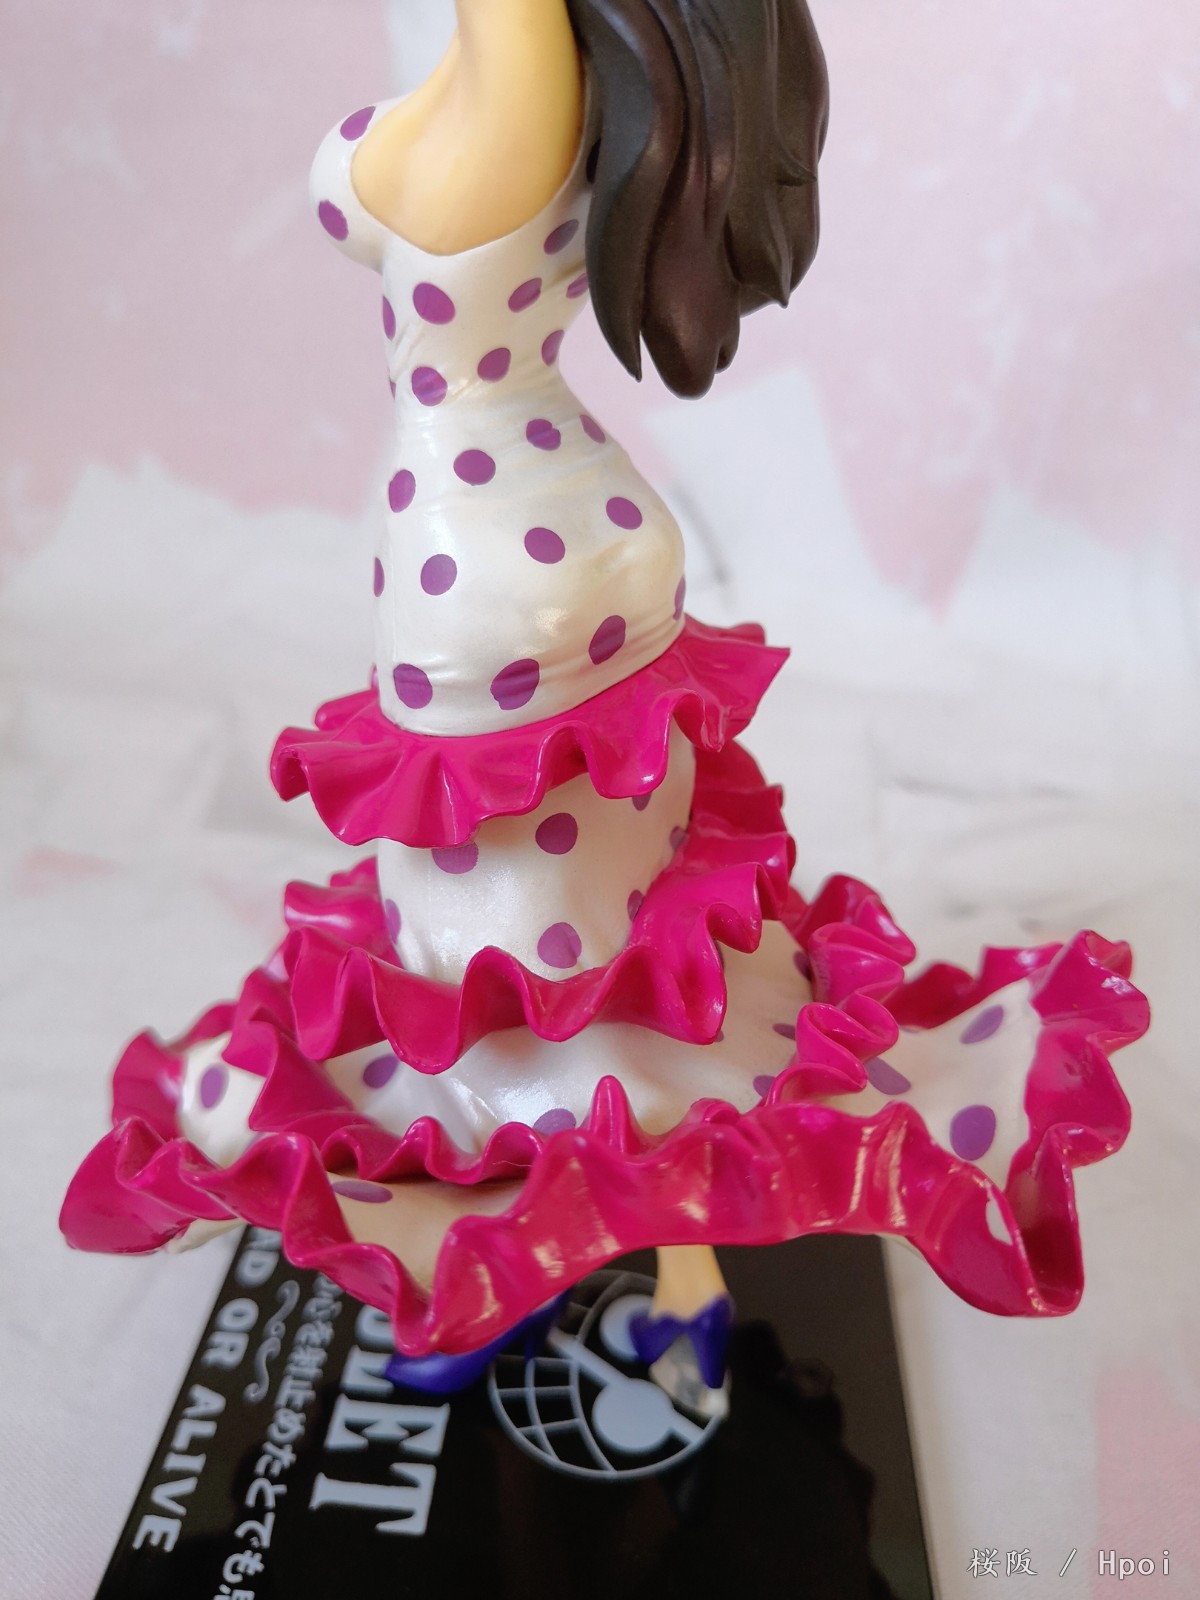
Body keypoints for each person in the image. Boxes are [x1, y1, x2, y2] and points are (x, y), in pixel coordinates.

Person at [61, 0, 1145, 1406]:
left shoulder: (522, 57)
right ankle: (680, 1284)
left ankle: (502, 1260)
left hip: (486, 559)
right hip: (548, 528)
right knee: (611, 952)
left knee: (497, 976)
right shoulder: (568, 54)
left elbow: (441, 172)